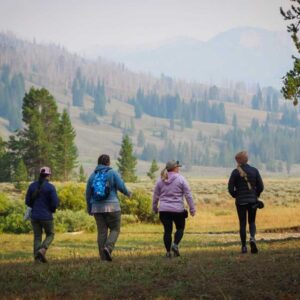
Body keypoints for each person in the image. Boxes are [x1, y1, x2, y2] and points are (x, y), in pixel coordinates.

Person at [86, 154, 131, 262]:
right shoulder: (112, 173)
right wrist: (128, 193)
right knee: (115, 229)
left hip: (97, 208)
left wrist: (90, 207)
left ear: (98, 163)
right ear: (108, 163)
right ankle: (108, 247)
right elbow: (121, 186)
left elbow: (88, 193)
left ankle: (103, 259)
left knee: (102, 232)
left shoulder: (92, 176)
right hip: (113, 206)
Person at [152, 160, 196, 258]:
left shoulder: (160, 179)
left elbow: (155, 196)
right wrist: (192, 209)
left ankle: (168, 252)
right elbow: (188, 195)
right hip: (178, 210)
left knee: (167, 231)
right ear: (175, 168)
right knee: (180, 228)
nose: (179, 168)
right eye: (178, 167)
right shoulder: (181, 179)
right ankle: (175, 245)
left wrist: (154, 208)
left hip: (164, 210)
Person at [228, 151, 264, 254]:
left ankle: (244, 247)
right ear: (246, 159)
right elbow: (261, 187)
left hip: (240, 202)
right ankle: (252, 238)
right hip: (253, 201)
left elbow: (230, 189)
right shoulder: (254, 171)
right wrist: (256, 195)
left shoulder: (235, 172)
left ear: (238, 161)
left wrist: (236, 195)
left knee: (242, 224)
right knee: (252, 222)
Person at [25, 166, 59, 263]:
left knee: (37, 237)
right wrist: (51, 210)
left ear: (40, 174)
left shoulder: (32, 186)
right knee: (50, 234)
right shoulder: (50, 187)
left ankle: (37, 258)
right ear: (48, 175)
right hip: (46, 216)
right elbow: (55, 203)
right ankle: (42, 250)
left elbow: (27, 202)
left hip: (34, 216)